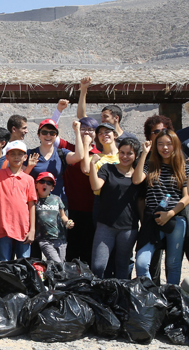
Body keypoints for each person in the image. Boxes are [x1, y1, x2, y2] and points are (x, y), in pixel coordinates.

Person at [133, 131, 189, 285]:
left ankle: (171, 300)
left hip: (175, 218)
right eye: (160, 144)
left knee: (173, 264)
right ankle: (151, 298)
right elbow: (137, 180)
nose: (165, 147)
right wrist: (144, 153)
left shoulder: (183, 166)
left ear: (175, 145)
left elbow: (187, 196)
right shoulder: (150, 165)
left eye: (169, 143)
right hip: (152, 218)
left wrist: (170, 213)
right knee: (142, 263)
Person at [88, 138, 143, 279]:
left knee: (122, 266)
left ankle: (120, 298)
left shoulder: (138, 175)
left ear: (135, 155)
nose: (125, 156)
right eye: (122, 152)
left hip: (128, 228)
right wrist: (93, 165)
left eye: (129, 153)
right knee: (98, 266)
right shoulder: (108, 168)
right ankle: (98, 297)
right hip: (106, 225)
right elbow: (96, 186)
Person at [0, 141, 37, 261]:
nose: (16, 157)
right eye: (13, 154)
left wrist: (32, 230)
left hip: (23, 229)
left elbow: (31, 205)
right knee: (4, 264)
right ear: (7, 156)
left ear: (25, 157)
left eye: (20, 154)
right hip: (2, 228)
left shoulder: (29, 179)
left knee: (24, 265)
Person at [60, 117, 100, 263]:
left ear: (96, 133)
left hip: (91, 208)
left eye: (90, 129)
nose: (87, 132)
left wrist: (87, 144)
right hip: (70, 208)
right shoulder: (69, 149)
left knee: (88, 248)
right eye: (83, 128)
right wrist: (59, 111)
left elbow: (86, 170)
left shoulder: (98, 154)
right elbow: (49, 133)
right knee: (70, 249)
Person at [24, 119, 84, 202]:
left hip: (58, 204)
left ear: (56, 136)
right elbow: (20, 179)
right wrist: (29, 167)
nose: (48, 135)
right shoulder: (30, 154)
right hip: (35, 203)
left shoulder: (61, 153)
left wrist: (77, 131)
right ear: (38, 135)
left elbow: (79, 156)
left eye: (52, 133)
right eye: (44, 132)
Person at [33, 172, 73, 263]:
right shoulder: (34, 200)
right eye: (42, 182)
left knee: (61, 264)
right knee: (56, 262)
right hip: (44, 239)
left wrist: (68, 222)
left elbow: (63, 215)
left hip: (60, 238)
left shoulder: (56, 199)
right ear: (36, 184)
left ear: (52, 188)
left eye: (49, 183)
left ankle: (53, 277)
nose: (45, 185)